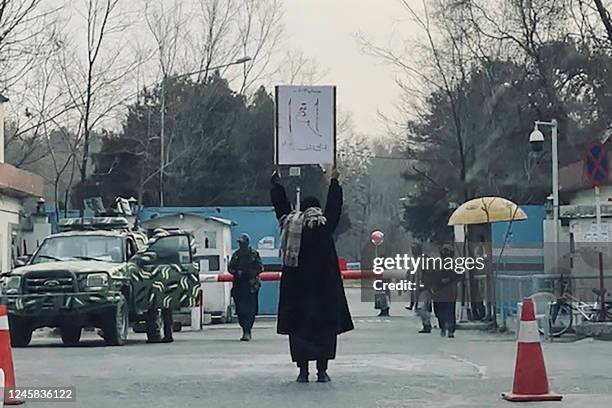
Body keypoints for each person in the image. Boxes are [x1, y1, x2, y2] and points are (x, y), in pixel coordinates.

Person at [271, 167, 354, 383]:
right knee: (324, 332)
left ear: (302, 208)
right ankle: (322, 371)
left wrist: (276, 185)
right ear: (317, 208)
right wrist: (334, 183)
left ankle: (303, 371)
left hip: (297, 295)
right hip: (324, 293)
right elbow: (335, 207)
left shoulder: (290, 224)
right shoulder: (325, 226)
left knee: (300, 332)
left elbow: (280, 207)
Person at [228, 233, 263, 341]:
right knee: (240, 310)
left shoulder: (254, 254)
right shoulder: (236, 255)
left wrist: (250, 273)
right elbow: (230, 267)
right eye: (239, 243)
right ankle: (244, 328)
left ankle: (247, 331)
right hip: (239, 285)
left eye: (242, 243)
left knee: (250, 310)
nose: (241, 245)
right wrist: (237, 272)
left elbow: (260, 268)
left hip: (250, 285)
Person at [432, 246, 458, 338]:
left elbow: (458, 275)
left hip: (450, 291)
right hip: (438, 292)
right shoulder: (437, 263)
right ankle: (443, 328)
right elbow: (432, 276)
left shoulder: (454, 264)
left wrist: (449, 279)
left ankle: (450, 330)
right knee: (439, 311)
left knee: (450, 311)